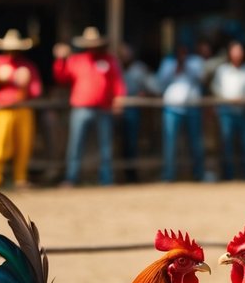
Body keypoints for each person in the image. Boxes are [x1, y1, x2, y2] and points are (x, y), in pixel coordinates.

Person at [52, 27, 124, 187]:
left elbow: (117, 81)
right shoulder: (76, 60)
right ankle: (72, 177)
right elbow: (61, 78)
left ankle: (106, 179)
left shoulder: (109, 60)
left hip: (103, 108)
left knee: (106, 145)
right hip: (81, 107)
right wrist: (60, 60)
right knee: (75, 145)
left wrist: (118, 99)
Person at [0, 29, 41, 187]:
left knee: (24, 145)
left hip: (23, 108)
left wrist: (26, 83)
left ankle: (20, 178)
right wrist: (1, 78)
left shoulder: (27, 65)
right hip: (2, 109)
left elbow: (37, 90)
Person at [210, 40, 245, 181]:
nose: (237, 53)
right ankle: (228, 176)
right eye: (234, 50)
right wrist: (227, 100)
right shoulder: (222, 70)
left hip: (244, 111)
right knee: (227, 144)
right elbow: (216, 89)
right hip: (226, 111)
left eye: (240, 50)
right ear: (230, 53)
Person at [156, 43, 205, 182]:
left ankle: (199, 174)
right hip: (172, 107)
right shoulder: (167, 63)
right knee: (170, 143)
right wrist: (175, 67)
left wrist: (186, 66)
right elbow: (160, 82)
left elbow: (202, 79)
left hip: (193, 106)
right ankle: (169, 175)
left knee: (196, 143)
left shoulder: (196, 62)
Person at [116, 44, 155, 183]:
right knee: (114, 144)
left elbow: (153, 86)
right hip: (115, 108)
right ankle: (115, 176)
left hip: (133, 108)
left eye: (127, 53)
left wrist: (144, 93)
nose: (125, 56)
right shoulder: (115, 67)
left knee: (131, 143)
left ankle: (131, 175)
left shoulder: (139, 69)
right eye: (123, 54)